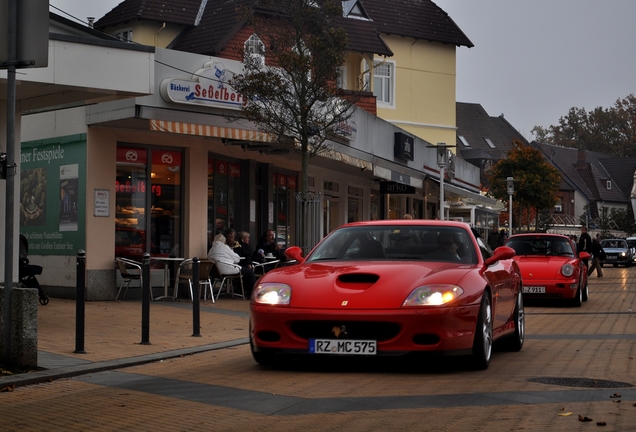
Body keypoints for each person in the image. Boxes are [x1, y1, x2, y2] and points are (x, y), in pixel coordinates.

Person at [225, 229, 256, 295]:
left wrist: (249, 263)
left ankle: (249, 292)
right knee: (248, 272)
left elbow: (247, 254)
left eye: (232, 237)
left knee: (248, 271)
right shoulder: (223, 246)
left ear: (234, 237)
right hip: (226, 266)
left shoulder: (238, 245)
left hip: (238, 265)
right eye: (228, 237)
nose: (230, 239)